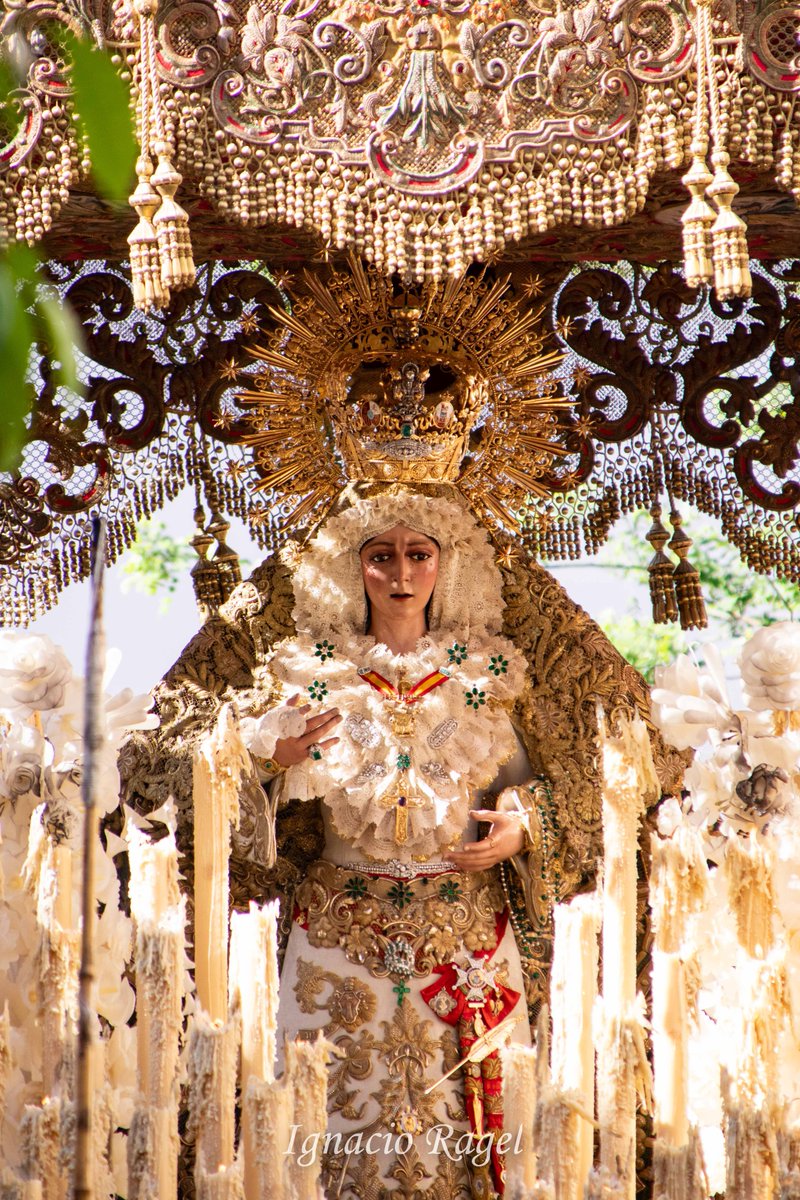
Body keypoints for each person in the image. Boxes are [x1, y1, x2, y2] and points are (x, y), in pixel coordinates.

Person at [241, 486, 547, 1199]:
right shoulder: (309, 674)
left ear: (446, 564)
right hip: (337, 938)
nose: (401, 573)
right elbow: (237, 790)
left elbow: (541, 783)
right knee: (327, 1126)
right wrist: (268, 758)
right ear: (354, 567)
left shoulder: (485, 674)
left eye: (418, 554)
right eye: (381, 556)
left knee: (468, 1129)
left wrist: (521, 826)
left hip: (464, 938)